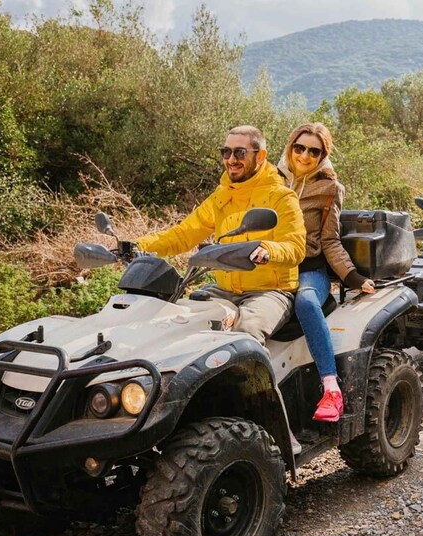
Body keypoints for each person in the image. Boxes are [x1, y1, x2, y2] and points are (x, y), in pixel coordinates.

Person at [135, 125, 306, 344]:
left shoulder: (281, 197)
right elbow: (182, 234)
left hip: (269, 292)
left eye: (240, 153)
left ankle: (252, 379)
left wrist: (267, 250)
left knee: (245, 335)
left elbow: (295, 247)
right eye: (226, 152)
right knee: (175, 321)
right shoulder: (221, 196)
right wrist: (136, 246)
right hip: (224, 290)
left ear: (260, 156)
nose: (231, 159)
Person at [277, 122, 374, 424]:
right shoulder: (271, 182)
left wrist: (353, 277)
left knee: (305, 302)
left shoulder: (330, 188)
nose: (304, 155)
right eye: (299, 148)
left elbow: (330, 239)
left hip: (310, 269)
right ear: (290, 147)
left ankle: (331, 388)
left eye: (313, 151)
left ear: (322, 155)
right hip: (273, 269)